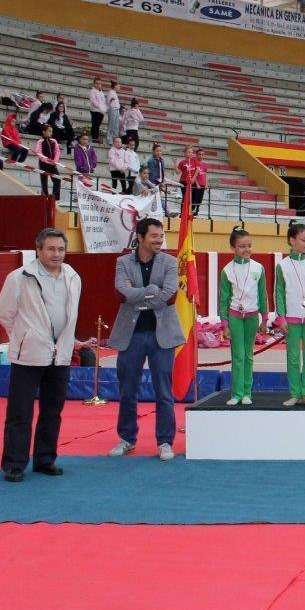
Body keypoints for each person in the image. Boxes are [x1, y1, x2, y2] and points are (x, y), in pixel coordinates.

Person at [0, 228, 88, 482]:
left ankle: (45, 460)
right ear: (38, 250)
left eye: (61, 249)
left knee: (52, 411)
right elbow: (3, 313)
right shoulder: (19, 277)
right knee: (20, 412)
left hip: (61, 356)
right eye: (51, 249)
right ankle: (14, 464)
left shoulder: (73, 276)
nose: (56, 254)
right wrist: (26, 336)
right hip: (28, 356)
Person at [108, 218, 185, 460]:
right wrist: (152, 291)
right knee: (127, 390)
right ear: (140, 237)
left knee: (164, 392)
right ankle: (127, 438)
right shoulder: (122, 262)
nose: (159, 240)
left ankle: (165, 441)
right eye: (154, 236)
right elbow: (123, 291)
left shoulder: (170, 262)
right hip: (131, 336)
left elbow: (169, 293)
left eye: (161, 236)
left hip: (162, 336)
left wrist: (140, 297)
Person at [276, 221, 305, 407]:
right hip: (291, 319)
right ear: (292, 240)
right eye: (304, 240)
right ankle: (295, 393)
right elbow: (279, 292)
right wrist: (281, 317)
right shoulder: (282, 266)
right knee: (293, 358)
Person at [219, 228, 267, 406]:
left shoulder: (258, 268)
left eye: (249, 245)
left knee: (248, 355)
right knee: (238, 355)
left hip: (252, 317)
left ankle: (247, 393)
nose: (246, 249)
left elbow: (262, 295)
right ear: (233, 248)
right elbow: (223, 299)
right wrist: (225, 324)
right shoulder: (227, 271)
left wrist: (265, 318)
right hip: (235, 317)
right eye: (242, 246)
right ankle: (236, 393)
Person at [177, 146, 208, 217]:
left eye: (191, 152)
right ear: (185, 153)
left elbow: (197, 171)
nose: (190, 154)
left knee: (193, 198)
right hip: (184, 181)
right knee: (185, 197)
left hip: (192, 182)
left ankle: (191, 212)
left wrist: (194, 179)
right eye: (189, 152)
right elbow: (178, 172)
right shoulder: (182, 162)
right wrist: (175, 163)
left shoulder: (195, 161)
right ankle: (182, 213)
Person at [34, 124, 62, 199]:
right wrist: (46, 161)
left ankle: (54, 198)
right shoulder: (40, 141)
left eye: (51, 131)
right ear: (44, 132)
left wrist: (54, 161)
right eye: (49, 131)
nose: (51, 133)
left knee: (57, 179)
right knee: (44, 181)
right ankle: (45, 197)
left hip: (52, 163)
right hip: (43, 163)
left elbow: (57, 151)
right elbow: (39, 152)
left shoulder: (53, 141)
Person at [88, 77, 106, 141]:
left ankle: (96, 137)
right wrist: (99, 107)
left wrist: (103, 108)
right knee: (95, 125)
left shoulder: (101, 92)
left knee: (97, 125)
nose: (98, 85)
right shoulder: (92, 91)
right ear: (94, 84)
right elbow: (93, 100)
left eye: (99, 83)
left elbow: (103, 101)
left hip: (101, 111)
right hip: (95, 110)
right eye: (97, 83)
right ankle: (94, 138)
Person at [105, 81, 122, 146]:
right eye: (118, 86)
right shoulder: (110, 92)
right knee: (111, 125)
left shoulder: (114, 93)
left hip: (116, 109)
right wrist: (111, 101)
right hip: (112, 109)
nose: (119, 87)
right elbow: (108, 102)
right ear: (115, 86)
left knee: (116, 126)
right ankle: (109, 139)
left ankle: (115, 139)